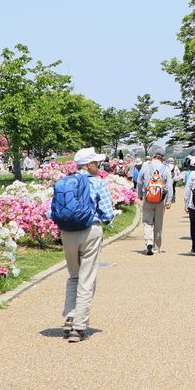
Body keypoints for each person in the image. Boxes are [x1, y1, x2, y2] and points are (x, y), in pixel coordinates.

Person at [54, 147, 116, 343]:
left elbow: (51, 211)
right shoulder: (97, 183)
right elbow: (107, 213)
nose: (98, 166)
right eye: (96, 163)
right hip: (90, 231)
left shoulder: (64, 182)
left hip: (67, 233)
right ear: (89, 165)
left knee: (73, 276)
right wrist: (103, 221)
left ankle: (70, 318)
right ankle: (79, 327)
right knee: (87, 279)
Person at [136, 151, 173, 255]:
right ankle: (156, 247)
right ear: (163, 158)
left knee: (147, 221)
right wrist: (169, 200)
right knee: (158, 223)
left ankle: (149, 242)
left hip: (147, 198)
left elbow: (139, 181)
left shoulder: (146, 166)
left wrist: (139, 195)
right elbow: (169, 186)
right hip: (161, 200)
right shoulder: (166, 168)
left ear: (153, 157)